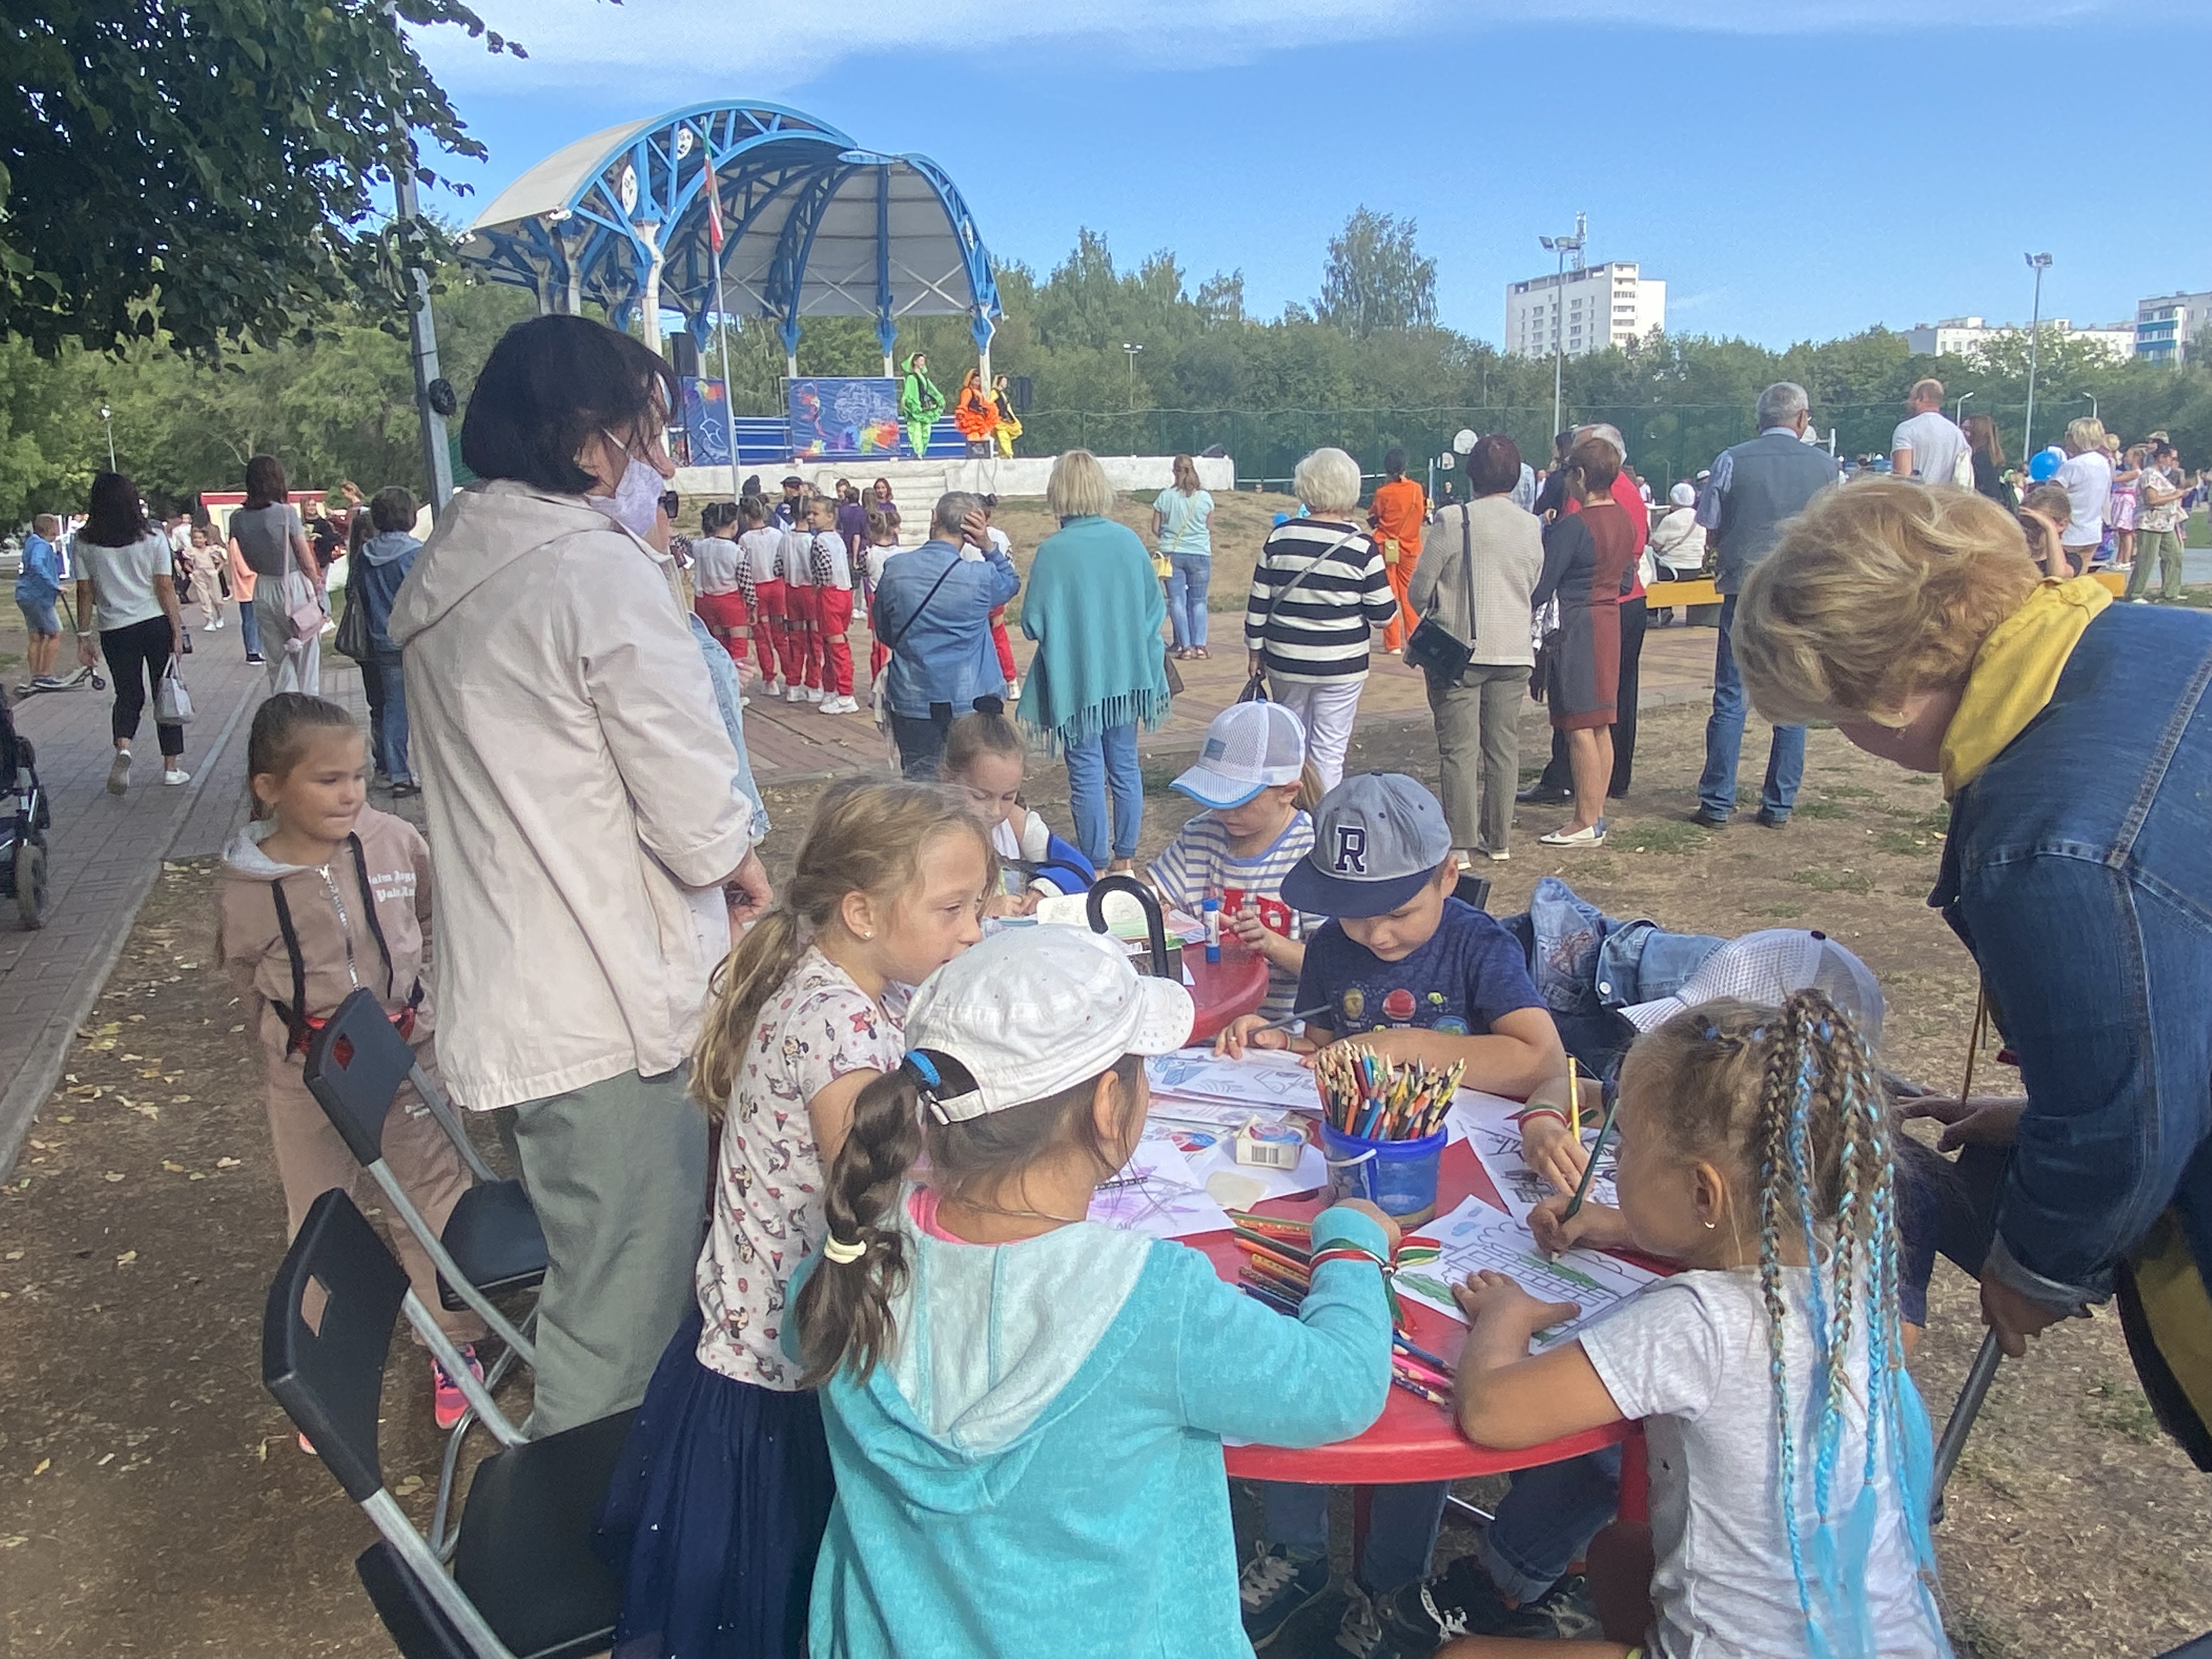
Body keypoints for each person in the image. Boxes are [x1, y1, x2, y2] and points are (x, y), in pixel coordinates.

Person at [1736, 479, 2212, 1470]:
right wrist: (2048, 1110)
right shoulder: (2152, 638)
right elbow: (2169, 996)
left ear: (1886, 691)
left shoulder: (2052, 845)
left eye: (1836, 713)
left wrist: (2036, 1262)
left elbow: (2126, 1123)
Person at [790, 925, 1396, 1659]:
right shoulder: (1152, 1301)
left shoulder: (854, 1257)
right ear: (1110, 1105)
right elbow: (1340, 1387)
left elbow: (804, 1329)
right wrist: (1351, 1243)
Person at [388, 313, 768, 1437]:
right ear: (585, 437)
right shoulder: (590, 571)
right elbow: (693, 808)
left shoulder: (460, 568)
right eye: (646, 431)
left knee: (597, 1270)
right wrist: (744, 870)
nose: (660, 460)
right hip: (609, 1009)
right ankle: (595, 1524)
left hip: (528, 996)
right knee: (621, 1320)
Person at [1415, 992, 1948, 1659]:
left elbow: (1493, 1411)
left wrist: (1505, 1315)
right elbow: (1741, 1247)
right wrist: (1622, 1227)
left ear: (1703, 1193)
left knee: (1461, 1657)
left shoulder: (1698, 1323)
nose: (1614, 1162)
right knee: (1620, 1554)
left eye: (1627, 1148)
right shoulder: (1849, 1276)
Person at [597, 781, 992, 1659]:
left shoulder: (836, 979)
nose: (974, 931)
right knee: (777, 1611)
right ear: (862, 911)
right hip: (779, 1375)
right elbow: (877, 1189)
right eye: (954, 909)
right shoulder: (841, 1032)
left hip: (749, 1333)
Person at [1215, 773, 1566, 1654]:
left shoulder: (1477, 944)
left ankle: (1394, 1581)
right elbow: (1330, 1046)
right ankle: (1294, 1549)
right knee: (1296, 1329)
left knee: (1427, 1366)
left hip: (1457, 1198)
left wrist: (1410, 1046)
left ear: (1448, 876)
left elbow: (1539, 1057)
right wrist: (1285, 1045)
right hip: (1344, 1189)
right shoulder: (1335, 947)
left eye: (1396, 913)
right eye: (1352, 914)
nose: (1374, 934)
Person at [215, 693, 486, 1437]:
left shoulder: (397, 842)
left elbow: (427, 915)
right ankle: (324, 1372)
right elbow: (245, 975)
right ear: (270, 788)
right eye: (327, 780)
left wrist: (421, 999)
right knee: (319, 1217)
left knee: (432, 1196)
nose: (350, 794)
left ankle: (455, 1341)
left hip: (406, 1059)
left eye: (359, 776)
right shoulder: (245, 888)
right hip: (307, 1078)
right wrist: (281, 1043)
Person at [1690, 382, 1839, 830]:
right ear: (1802, 419)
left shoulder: (1731, 460)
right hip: (1798, 591)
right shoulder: (1828, 467)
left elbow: (1710, 524)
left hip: (1743, 588)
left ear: (1760, 419)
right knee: (1795, 695)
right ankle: (1779, 803)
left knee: (1731, 695)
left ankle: (1717, 801)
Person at [1020, 449, 1173, 871]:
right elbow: (1154, 609)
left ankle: (1096, 863)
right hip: (1127, 677)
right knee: (1124, 764)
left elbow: (1032, 623)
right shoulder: (1128, 540)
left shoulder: (1053, 552)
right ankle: (1126, 858)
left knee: (1086, 770)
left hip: (1075, 680)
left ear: (1058, 491)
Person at [1410, 433, 1544, 863]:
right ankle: (1499, 837)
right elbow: (1533, 581)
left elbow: (1419, 590)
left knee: (1459, 750)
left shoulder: (1454, 520)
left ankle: (1461, 841)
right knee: (1503, 748)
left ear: (1471, 475)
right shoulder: (1531, 525)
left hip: (1459, 651)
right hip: (1514, 649)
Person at [1146, 699, 1319, 1022]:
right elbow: (1150, 894)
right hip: (1200, 1018)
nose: (1224, 811)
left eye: (1240, 800)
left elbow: (1334, 971)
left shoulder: (1311, 853)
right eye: (1215, 796)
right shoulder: (1202, 833)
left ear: (1288, 792)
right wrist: (1148, 906)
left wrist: (1271, 944)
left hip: (1277, 1031)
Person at [1245, 447, 1398, 792]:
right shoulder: (1362, 546)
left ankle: (1288, 812)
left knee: (1290, 746)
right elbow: (1383, 616)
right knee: (1329, 750)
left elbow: (1258, 604)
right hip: (1342, 665)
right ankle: (1324, 817)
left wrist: (1255, 652)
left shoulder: (1279, 538)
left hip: (1286, 661)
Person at [1517, 424, 1649, 805]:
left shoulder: (1580, 516)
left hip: (1581, 615)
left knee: (1577, 716)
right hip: (1623, 606)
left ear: (1581, 473)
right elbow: (1632, 562)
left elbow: (1552, 576)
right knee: (1613, 706)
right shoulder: (1629, 498)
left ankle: (1570, 786)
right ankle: (1613, 781)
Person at [872, 490, 1019, 778]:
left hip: (913, 695)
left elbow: (885, 630)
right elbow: (1010, 583)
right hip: (971, 695)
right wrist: (988, 546)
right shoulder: (980, 576)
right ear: (971, 530)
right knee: (973, 782)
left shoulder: (896, 569)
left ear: (934, 518)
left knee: (922, 783)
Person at [72, 471, 190, 791]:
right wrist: (176, 629)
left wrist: (83, 636)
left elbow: (84, 590)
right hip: (154, 622)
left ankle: (124, 747)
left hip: (115, 628)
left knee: (128, 694)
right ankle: (171, 767)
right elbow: (164, 586)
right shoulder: (153, 537)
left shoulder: (84, 542)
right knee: (165, 690)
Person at [942, 701, 1093, 910]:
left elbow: (1082, 868)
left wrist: (1044, 889)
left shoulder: (1015, 823)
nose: (995, 811)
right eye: (980, 797)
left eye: (1008, 797)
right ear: (948, 779)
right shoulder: (931, 835)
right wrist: (983, 910)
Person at [355, 487, 425, 798]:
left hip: (379, 639)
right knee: (415, 707)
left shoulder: (365, 554)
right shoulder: (415, 553)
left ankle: (392, 769)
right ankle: (408, 773)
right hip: (412, 638)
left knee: (389, 706)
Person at [1154, 453, 1217, 660]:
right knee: (1199, 600)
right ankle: (1201, 646)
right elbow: (1209, 527)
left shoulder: (1165, 497)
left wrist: (1168, 535)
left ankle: (1185, 647)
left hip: (1172, 552)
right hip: (1200, 553)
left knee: (1177, 601)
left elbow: (1155, 527)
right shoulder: (1205, 498)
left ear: (1174, 471)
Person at [803, 492, 861, 714]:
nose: (810, 517)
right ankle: (831, 689)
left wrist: (817, 585)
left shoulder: (820, 541)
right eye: (809, 513)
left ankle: (846, 695)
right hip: (844, 592)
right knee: (831, 644)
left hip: (830, 594)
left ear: (830, 516)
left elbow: (824, 568)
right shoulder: (837, 538)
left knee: (836, 646)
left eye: (815, 513)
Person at [1368, 447, 1429, 653]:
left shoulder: (1383, 493)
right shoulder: (1416, 489)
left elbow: (1374, 515)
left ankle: (1393, 643)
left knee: (1388, 593)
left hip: (1386, 546)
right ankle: (1413, 639)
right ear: (1405, 467)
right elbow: (1421, 514)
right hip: (1409, 547)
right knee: (1408, 595)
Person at [692, 499, 751, 673]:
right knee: (738, 644)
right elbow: (746, 582)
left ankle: (720, 677)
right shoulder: (737, 551)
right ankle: (738, 682)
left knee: (717, 645)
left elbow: (679, 543)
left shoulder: (699, 546)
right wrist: (752, 604)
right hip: (730, 602)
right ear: (734, 525)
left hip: (706, 602)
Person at [737, 496, 788, 696]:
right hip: (777, 586)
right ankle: (791, 677)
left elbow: (744, 568)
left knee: (762, 636)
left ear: (746, 517)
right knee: (781, 635)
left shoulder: (745, 539)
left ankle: (770, 679)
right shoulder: (778, 534)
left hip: (757, 588)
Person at [2054, 416, 2113, 574]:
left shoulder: (2072, 466)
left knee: (2061, 576)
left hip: (2069, 532)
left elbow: (2052, 496)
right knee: (2082, 576)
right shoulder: (2104, 463)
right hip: (2092, 530)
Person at [2130, 442, 2187, 603]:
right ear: (2162, 457)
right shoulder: (2150, 475)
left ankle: (2170, 591)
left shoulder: (2161, 476)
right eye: (2172, 459)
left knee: (2174, 555)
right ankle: (2135, 593)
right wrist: (2175, 495)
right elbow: (2152, 500)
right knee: (2146, 558)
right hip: (2150, 523)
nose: (2173, 462)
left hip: (2165, 523)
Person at [780, 489, 822, 704]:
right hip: (811, 591)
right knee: (815, 640)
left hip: (791, 590)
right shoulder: (812, 541)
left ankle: (793, 685)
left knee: (795, 640)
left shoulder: (785, 538)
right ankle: (813, 684)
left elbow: (777, 567)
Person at [13, 512, 63, 691]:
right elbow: (37, 564)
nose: (58, 531)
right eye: (56, 526)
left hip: (25, 594)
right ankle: (45, 675)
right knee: (55, 633)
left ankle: (35, 676)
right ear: (49, 528)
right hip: (38, 597)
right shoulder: (42, 546)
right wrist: (54, 586)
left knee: (36, 636)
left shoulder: (31, 542)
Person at [1889, 377, 1968, 486]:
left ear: (1920, 399)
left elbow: (1902, 477)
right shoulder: (1957, 434)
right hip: (1948, 496)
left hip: (1918, 495)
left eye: (1911, 399)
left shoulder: (1906, 429)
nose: (1908, 403)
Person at [2017, 482, 2076, 579]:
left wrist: (2050, 529)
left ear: (2061, 525)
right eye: (2024, 523)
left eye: (2037, 525)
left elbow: (2058, 576)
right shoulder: (2016, 557)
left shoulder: (2071, 559)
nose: (2029, 531)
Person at [898, 352, 944, 459]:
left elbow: (932, 390)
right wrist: (908, 404)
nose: (923, 363)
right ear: (915, 362)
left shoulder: (924, 378)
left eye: (924, 361)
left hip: (925, 409)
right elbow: (908, 394)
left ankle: (922, 452)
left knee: (926, 432)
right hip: (916, 409)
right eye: (921, 361)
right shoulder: (911, 378)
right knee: (916, 431)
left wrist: (939, 400)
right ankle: (918, 452)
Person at [183, 521, 227, 633]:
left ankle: (220, 616)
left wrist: (216, 571)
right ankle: (209, 621)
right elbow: (187, 565)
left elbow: (222, 562)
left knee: (216, 598)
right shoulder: (192, 551)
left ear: (205, 539)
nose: (198, 540)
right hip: (199, 577)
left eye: (200, 538)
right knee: (204, 599)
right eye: (195, 538)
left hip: (211, 576)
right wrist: (193, 572)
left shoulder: (211, 550)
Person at [1964, 411, 2015, 507]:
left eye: (1966, 429)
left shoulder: (1979, 458)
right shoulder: (1991, 457)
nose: (1961, 432)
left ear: (1977, 432)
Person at [951, 367, 997, 459]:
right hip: (972, 419)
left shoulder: (978, 392)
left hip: (980, 419)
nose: (978, 383)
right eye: (976, 381)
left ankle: (981, 457)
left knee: (984, 440)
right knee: (974, 439)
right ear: (971, 380)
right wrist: (961, 416)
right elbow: (964, 404)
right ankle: (975, 457)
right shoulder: (967, 391)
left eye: (979, 381)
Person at [990, 372, 1022, 458]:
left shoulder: (1002, 393)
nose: (1006, 383)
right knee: (1003, 436)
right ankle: (1007, 453)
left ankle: (1004, 453)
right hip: (1000, 419)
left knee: (1006, 436)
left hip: (1006, 418)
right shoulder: (995, 393)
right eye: (1004, 381)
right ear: (999, 382)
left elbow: (1007, 407)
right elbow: (989, 403)